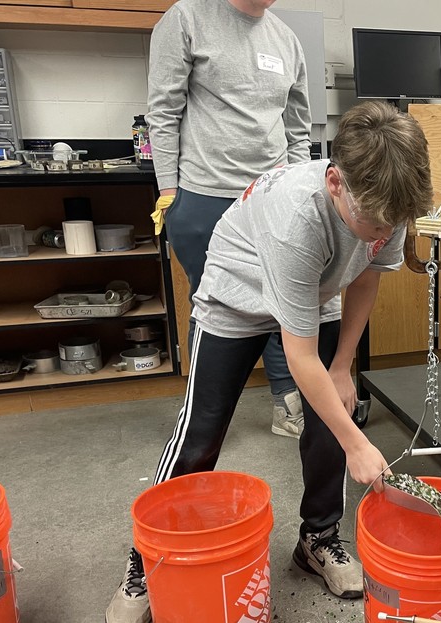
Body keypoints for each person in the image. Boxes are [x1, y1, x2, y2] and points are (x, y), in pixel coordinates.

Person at [105, 100, 435, 623]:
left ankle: (318, 539)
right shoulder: (296, 217)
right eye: (374, 223)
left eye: (391, 224)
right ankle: (147, 561)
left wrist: (343, 367)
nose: (384, 230)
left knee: (333, 413)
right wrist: (358, 444)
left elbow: (366, 276)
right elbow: (298, 356)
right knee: (201, 432)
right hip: (237, 295)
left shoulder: (388, 198)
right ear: (336, 182)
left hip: (313, 290)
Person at [147, 0, 310, 439]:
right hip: (205, 194)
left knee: (280, 302)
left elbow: (297, 128)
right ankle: (203, 420)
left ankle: (287, 404)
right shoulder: (187, 18)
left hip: (271, 195)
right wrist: (169, 192)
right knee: (212, 308)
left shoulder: (286, 39)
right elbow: (163, 111)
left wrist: (296, 190)